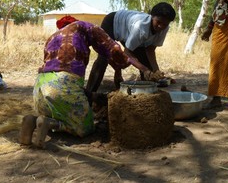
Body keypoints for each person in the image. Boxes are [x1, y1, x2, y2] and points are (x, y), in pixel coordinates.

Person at [19, 17, 156, 148]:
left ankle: (34, 120)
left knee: (56, 110)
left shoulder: (53, 37)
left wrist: (114, 73)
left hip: (40, 88)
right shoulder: (88, 27)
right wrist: (141, 68)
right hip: (62, 85)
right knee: (85, 127)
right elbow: (113, 49)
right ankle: (50, 124)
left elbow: (57, 74)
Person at [86, 2, 176, 93]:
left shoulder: (164, 28)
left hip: (128, 31)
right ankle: (89, 93)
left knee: (148, 68)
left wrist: (157, 72)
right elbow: (127, 52)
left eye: (165, 24)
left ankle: (146, 94)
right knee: (103, 59)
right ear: (152, 16)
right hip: (112, 22)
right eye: (158, 22)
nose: (161, 26)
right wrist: (144, 70)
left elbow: (150, 50)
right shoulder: (140, 27)